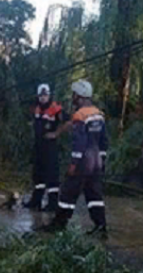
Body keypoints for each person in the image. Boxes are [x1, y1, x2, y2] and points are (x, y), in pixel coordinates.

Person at [40, 80, 108, 236]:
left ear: (80, 96)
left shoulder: (80, 116)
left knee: (68, 192)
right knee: (94, 194)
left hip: (84, 161)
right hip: (96, 160)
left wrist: (74, 163)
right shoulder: (98, 115)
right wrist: (102, 160)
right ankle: (101, 226)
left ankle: (59, 224)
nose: (72, 98)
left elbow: (79, 143)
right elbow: (104, 141)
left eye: (74, 95)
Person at [25, 83, 66, 211]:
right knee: (37, 174)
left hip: (50, 147)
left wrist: (56, 133)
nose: (43, 97)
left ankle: (53, 203)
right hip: (38, 146)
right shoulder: (36, 108)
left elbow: (68, 121)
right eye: (41, 95)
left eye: (45, 95)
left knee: (52, 175)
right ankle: (36, 200)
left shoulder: (56, 108)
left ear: (49, 95)